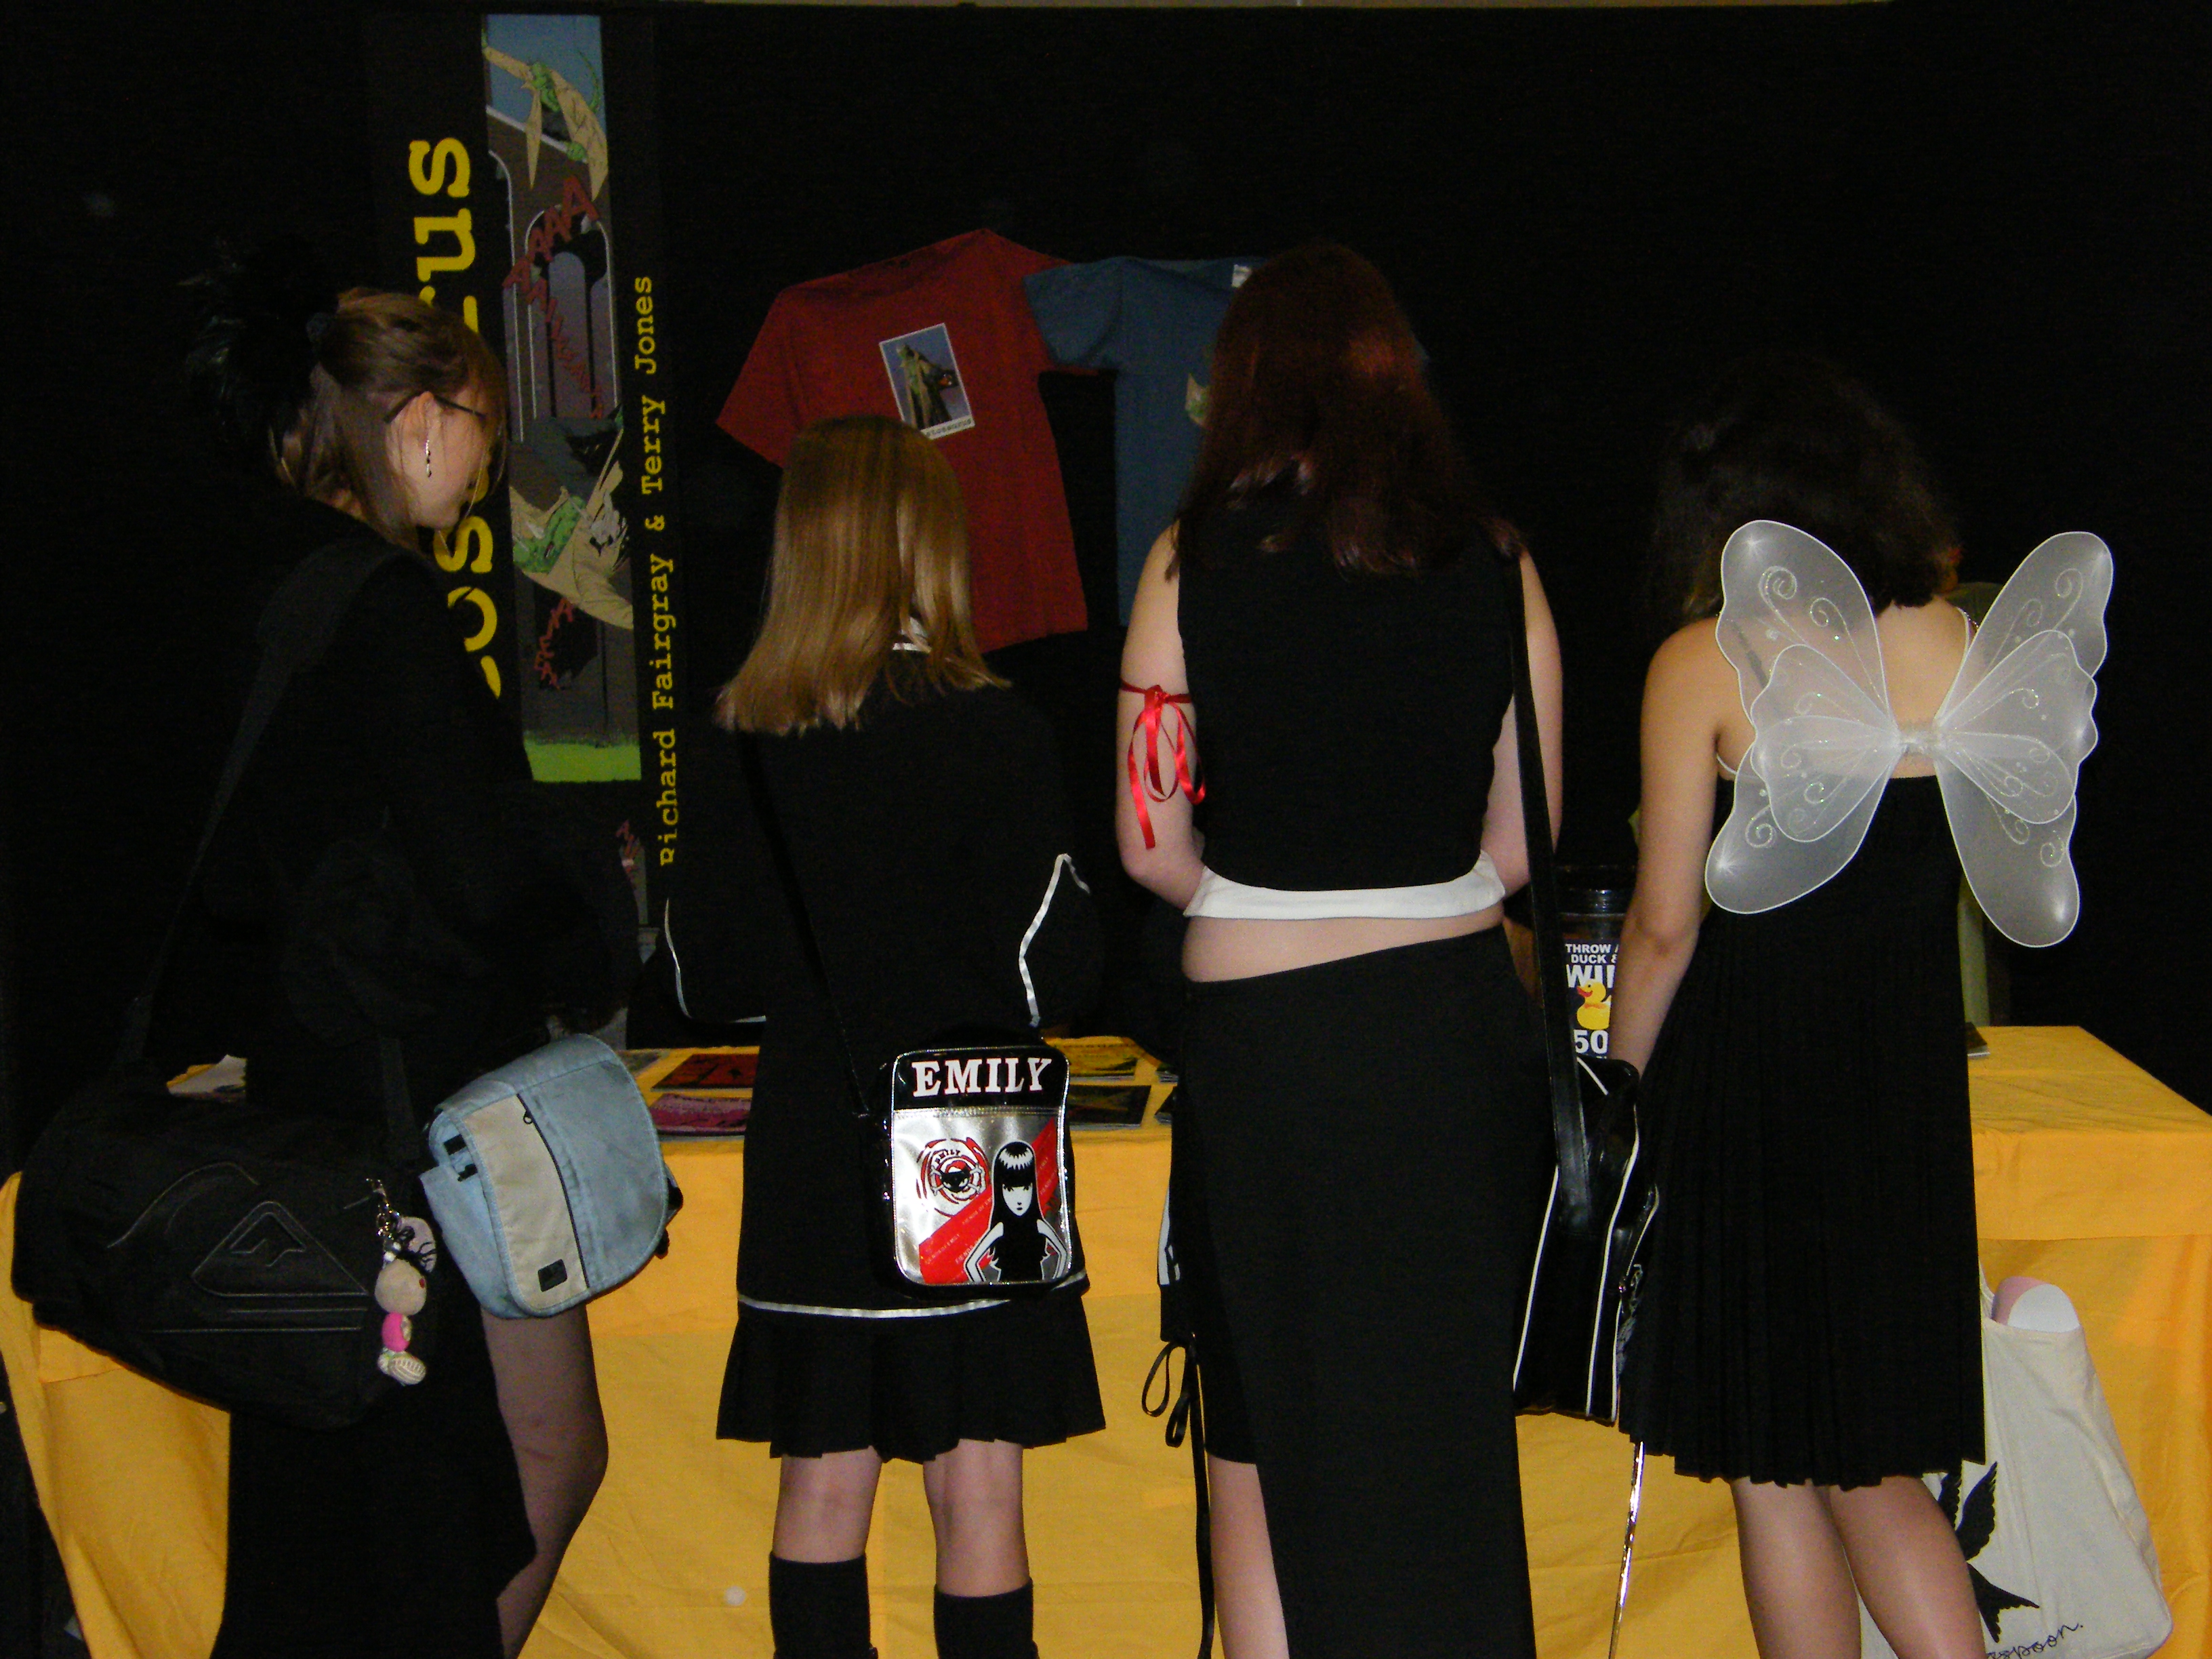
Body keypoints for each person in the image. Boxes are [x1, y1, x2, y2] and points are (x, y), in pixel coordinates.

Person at [155, 243, 634, 1656]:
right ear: (419, 420)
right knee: (469, 1491)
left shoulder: (260, 593)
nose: (484, 468)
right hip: (424, 1127)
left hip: (314, 1112)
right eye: (483, 426)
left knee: (354, 1514)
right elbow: (475, 880)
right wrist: (581, 886)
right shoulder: (386, 605)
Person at [1115, 244, 1563, 1659]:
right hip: (1448, 1043)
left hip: (1268, 1061)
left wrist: (1259, 896)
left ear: (1242, 385)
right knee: (1440, 1429)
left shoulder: (1188, 560)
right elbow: (1523, 845)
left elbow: (1148, 843)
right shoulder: (1498, 560)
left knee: (1258, 1420)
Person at [653, 414, 1103, 1659]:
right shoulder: (998, 729)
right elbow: (1057, 968)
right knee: (980, 1485)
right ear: (927, 545)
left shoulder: (742, 733)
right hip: (975, 1128)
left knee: (822, 1481)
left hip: (814, 1131)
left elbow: (703, 977)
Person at [1611, 354, 1990, 1659]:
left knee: (1796, 1469)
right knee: (1849, 1458)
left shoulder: (1709, 660)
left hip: (1760, 1091)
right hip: (1904, 1084)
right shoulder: (1953, 640)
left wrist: (1617, 1092)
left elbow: (1664, 925)